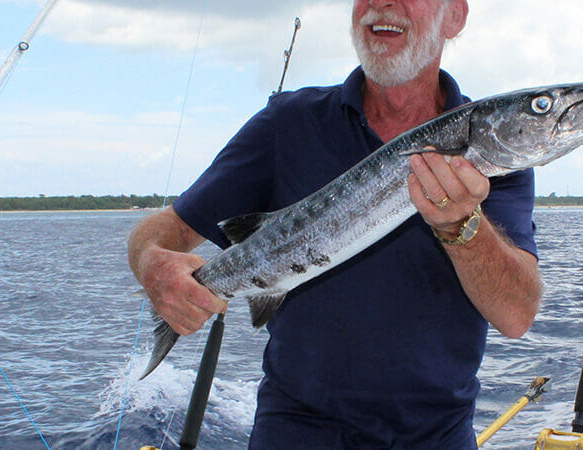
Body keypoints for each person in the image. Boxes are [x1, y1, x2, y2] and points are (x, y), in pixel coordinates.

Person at [126, 0, 541, 446]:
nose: (383, 3)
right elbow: (166, 228)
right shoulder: (286, 123)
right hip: (294, 433)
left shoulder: (497, 159)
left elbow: (517, 315)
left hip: (435, 436)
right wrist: (153, 263)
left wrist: (462, 226)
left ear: (454, 16)